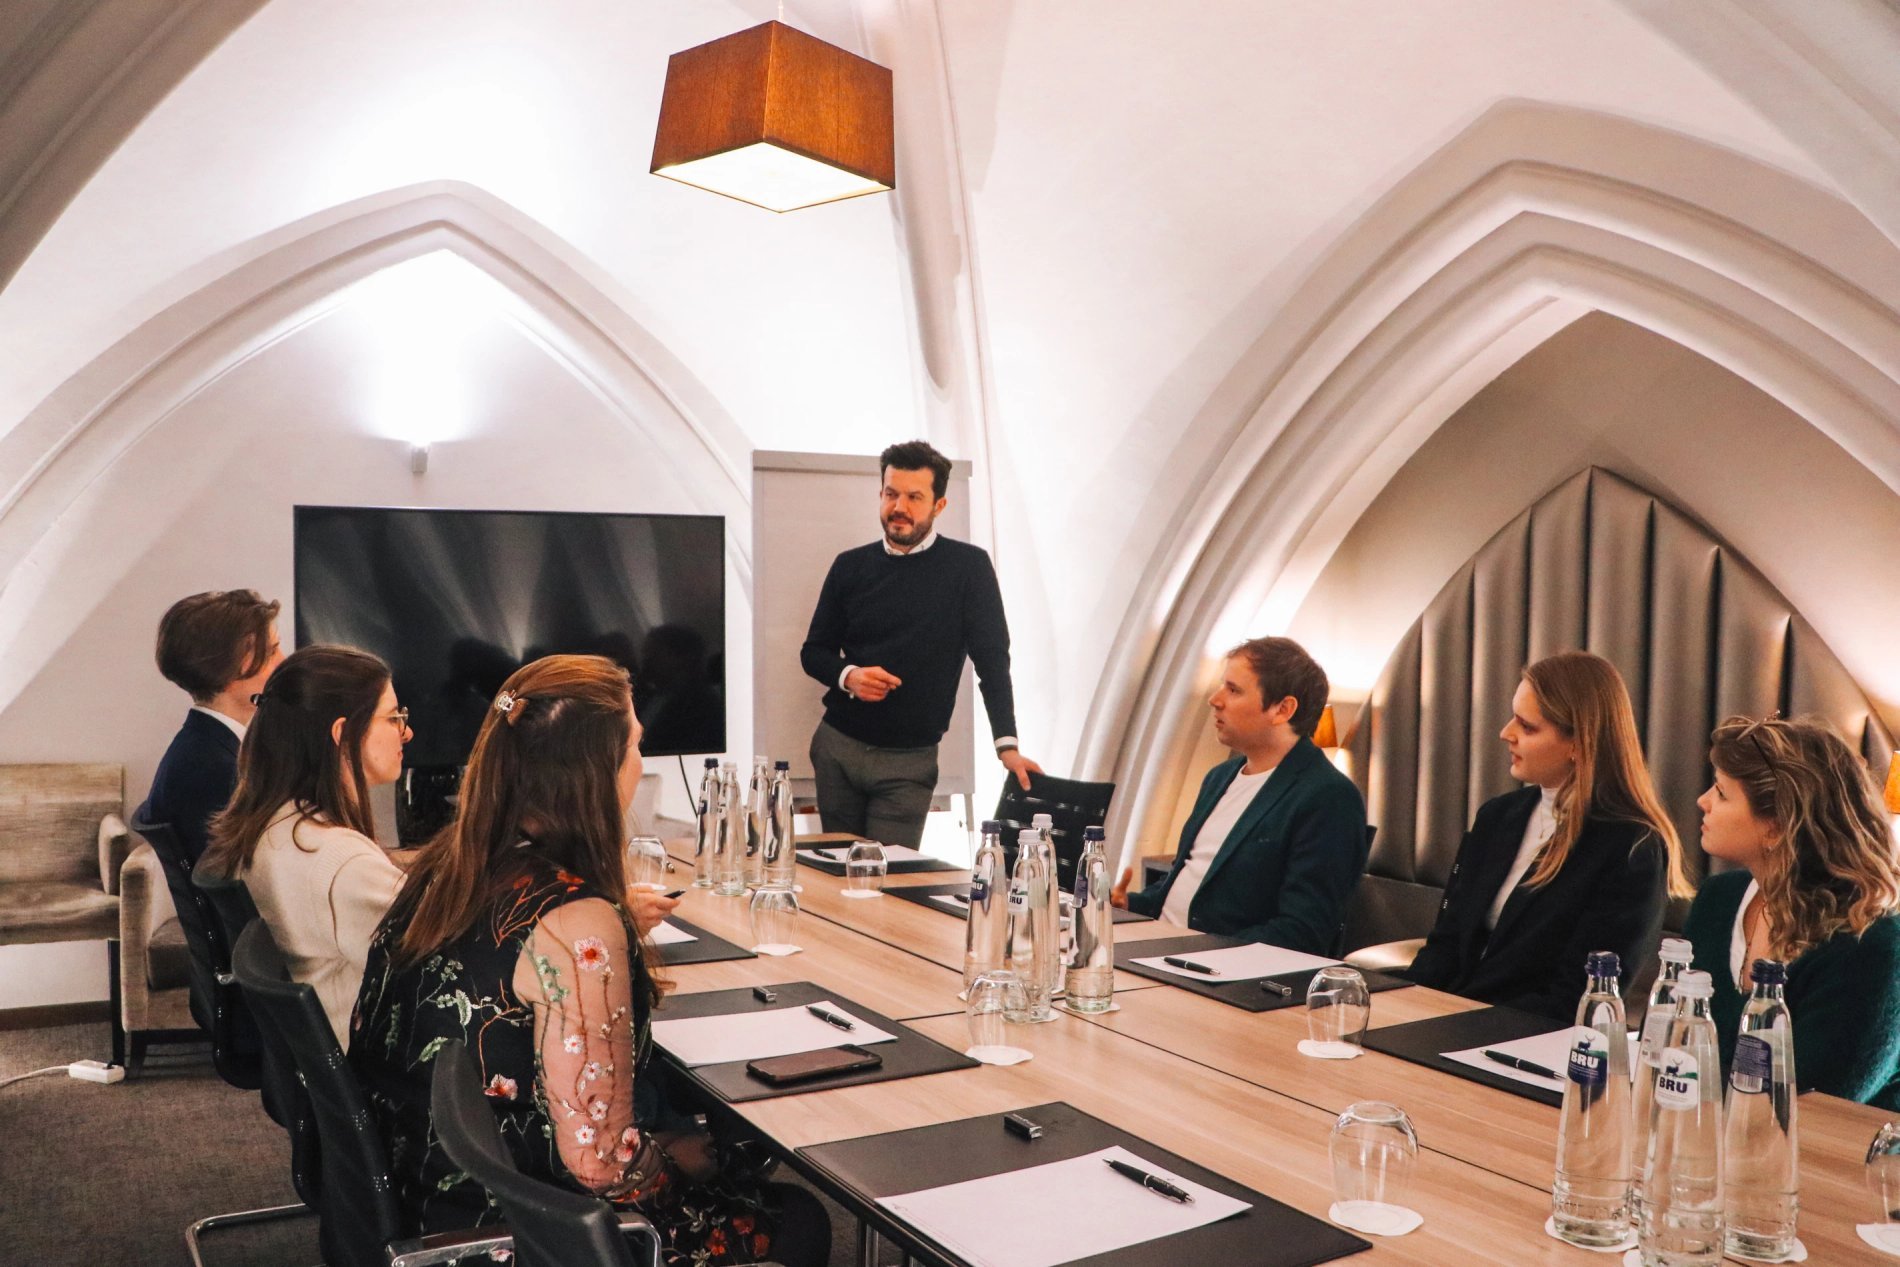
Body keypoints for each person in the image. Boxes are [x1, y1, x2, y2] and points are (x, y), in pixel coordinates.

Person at [351, 656, 829, 1265]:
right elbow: (601, 1165)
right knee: (797, 1216)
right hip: (521, 1235)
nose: (637, 761)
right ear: (594, 771)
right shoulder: (574, 921)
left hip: (423, 1192)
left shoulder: (445, 866)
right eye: (633, 745)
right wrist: (677, 1163)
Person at [1402, 651, 1690, 1020]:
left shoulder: (1630, 847)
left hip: (1527, 1041)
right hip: (1454, 1017)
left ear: (1578, 743)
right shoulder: (1498, 816)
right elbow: (1446, 944)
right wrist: (1402, 1006)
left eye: (1527, 726)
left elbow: (1580, 996)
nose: (1505, 733)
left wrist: (1458, 1023)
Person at [800, 440, 1042, 849]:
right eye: (892, 494)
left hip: (907, 761)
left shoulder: (969, 569)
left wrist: (1008, 746)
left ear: (939, 505)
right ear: (880, 494)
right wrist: (849, 676)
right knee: (837, 880)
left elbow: (992, 662)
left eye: (914, 497)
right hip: (837, 749)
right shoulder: (849, 566)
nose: (900, 507)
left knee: (889, 885)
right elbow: (814, 652)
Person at [1683, 715, 1900, 1109]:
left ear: (1778, 826)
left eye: (1721, 792)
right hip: (1705, 1142)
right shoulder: (1718, 898)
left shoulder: (1870, 945)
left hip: (1843, 1162)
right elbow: (1668, 1045)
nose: (1703, 801)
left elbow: (1815, 1102)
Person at [201, 645, 409, 1050]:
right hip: (376, 1060)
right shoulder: (340, 861)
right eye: (393, 718)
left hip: (326, 1057)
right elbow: (432, 960)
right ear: (343, 734)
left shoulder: (278, 823)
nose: (406, 731)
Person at [1111, 637, 1368, 955]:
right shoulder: (1219, 778)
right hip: (1159, 949)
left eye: (1233, 690)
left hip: (1215, 969)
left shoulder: (1328, 797)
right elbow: (1189, 883)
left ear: (1282, 709)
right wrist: (1129, 905)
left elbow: (1302, 931)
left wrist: (1196, 952)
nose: (1214, 700)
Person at [140, 590, 284, 867]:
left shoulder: (204, 747)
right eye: (272, 651)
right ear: (232, 666)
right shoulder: (213, 768)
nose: (283, 662)